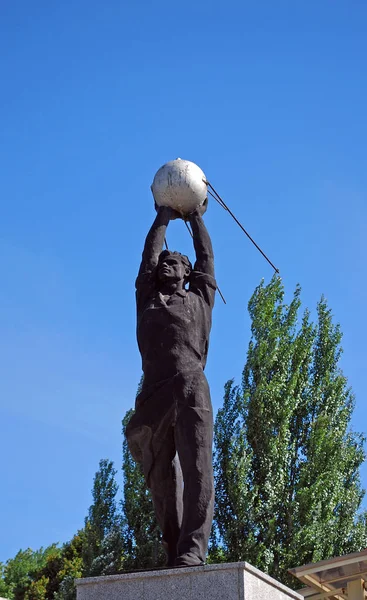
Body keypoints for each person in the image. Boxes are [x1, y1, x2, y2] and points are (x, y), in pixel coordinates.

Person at [125, 201, 216, 568]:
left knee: (197, 469)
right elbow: (148, 256)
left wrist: (194, 216)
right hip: (154, 394)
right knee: (160, 479)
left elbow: (207, 259)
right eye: (164, 260)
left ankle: (193, 549)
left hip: (192, 387)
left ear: (187, 271)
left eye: (175, 260)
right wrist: (162, 216)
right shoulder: (146, 298)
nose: (166, 262)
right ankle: (173, 545)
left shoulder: (199, 299)